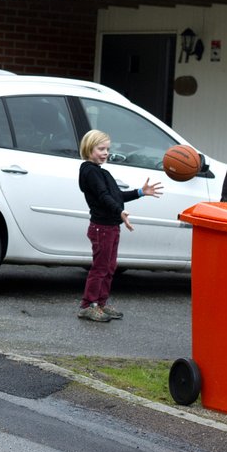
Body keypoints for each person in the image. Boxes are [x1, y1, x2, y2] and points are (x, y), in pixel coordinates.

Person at [77, 129, 162, 323]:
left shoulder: (102, 172)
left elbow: (116, 196)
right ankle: (87, 305)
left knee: (110, 267)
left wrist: (140, 192)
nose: (106, 152)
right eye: (101, 149)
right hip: (101, 227)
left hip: (111, 226)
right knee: (100, 268)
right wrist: (119, 211)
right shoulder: (89, 171)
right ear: (89, 148)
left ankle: (101, 303)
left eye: (107, 149)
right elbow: (103, 197)